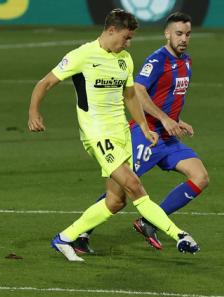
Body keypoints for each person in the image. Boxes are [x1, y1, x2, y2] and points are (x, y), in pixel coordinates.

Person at [28, 9, 200, 262]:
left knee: (116, 201)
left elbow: (130, 95)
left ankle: (64, 238)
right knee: (134, 186)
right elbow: (45, 82)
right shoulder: (82, 56)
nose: (128, 44)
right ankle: (180, 235)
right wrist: (34, 112)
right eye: (126, 38)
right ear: (111, 31)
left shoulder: (125, 59)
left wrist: (143, 126)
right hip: (96, 133)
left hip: (120, 131)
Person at [71, 11, 208, 254]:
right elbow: (139, 92)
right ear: (167, 34)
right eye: (178, 33)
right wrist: (164, 119)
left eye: (187, 34)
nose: (183, 38)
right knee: (120, 192)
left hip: (167, 137)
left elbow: (167, 98)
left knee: (200, 176)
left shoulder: (186, 61)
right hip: (146, 135)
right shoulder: (157, 61)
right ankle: (80, 234)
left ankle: (149, 221)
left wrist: (176, 120)